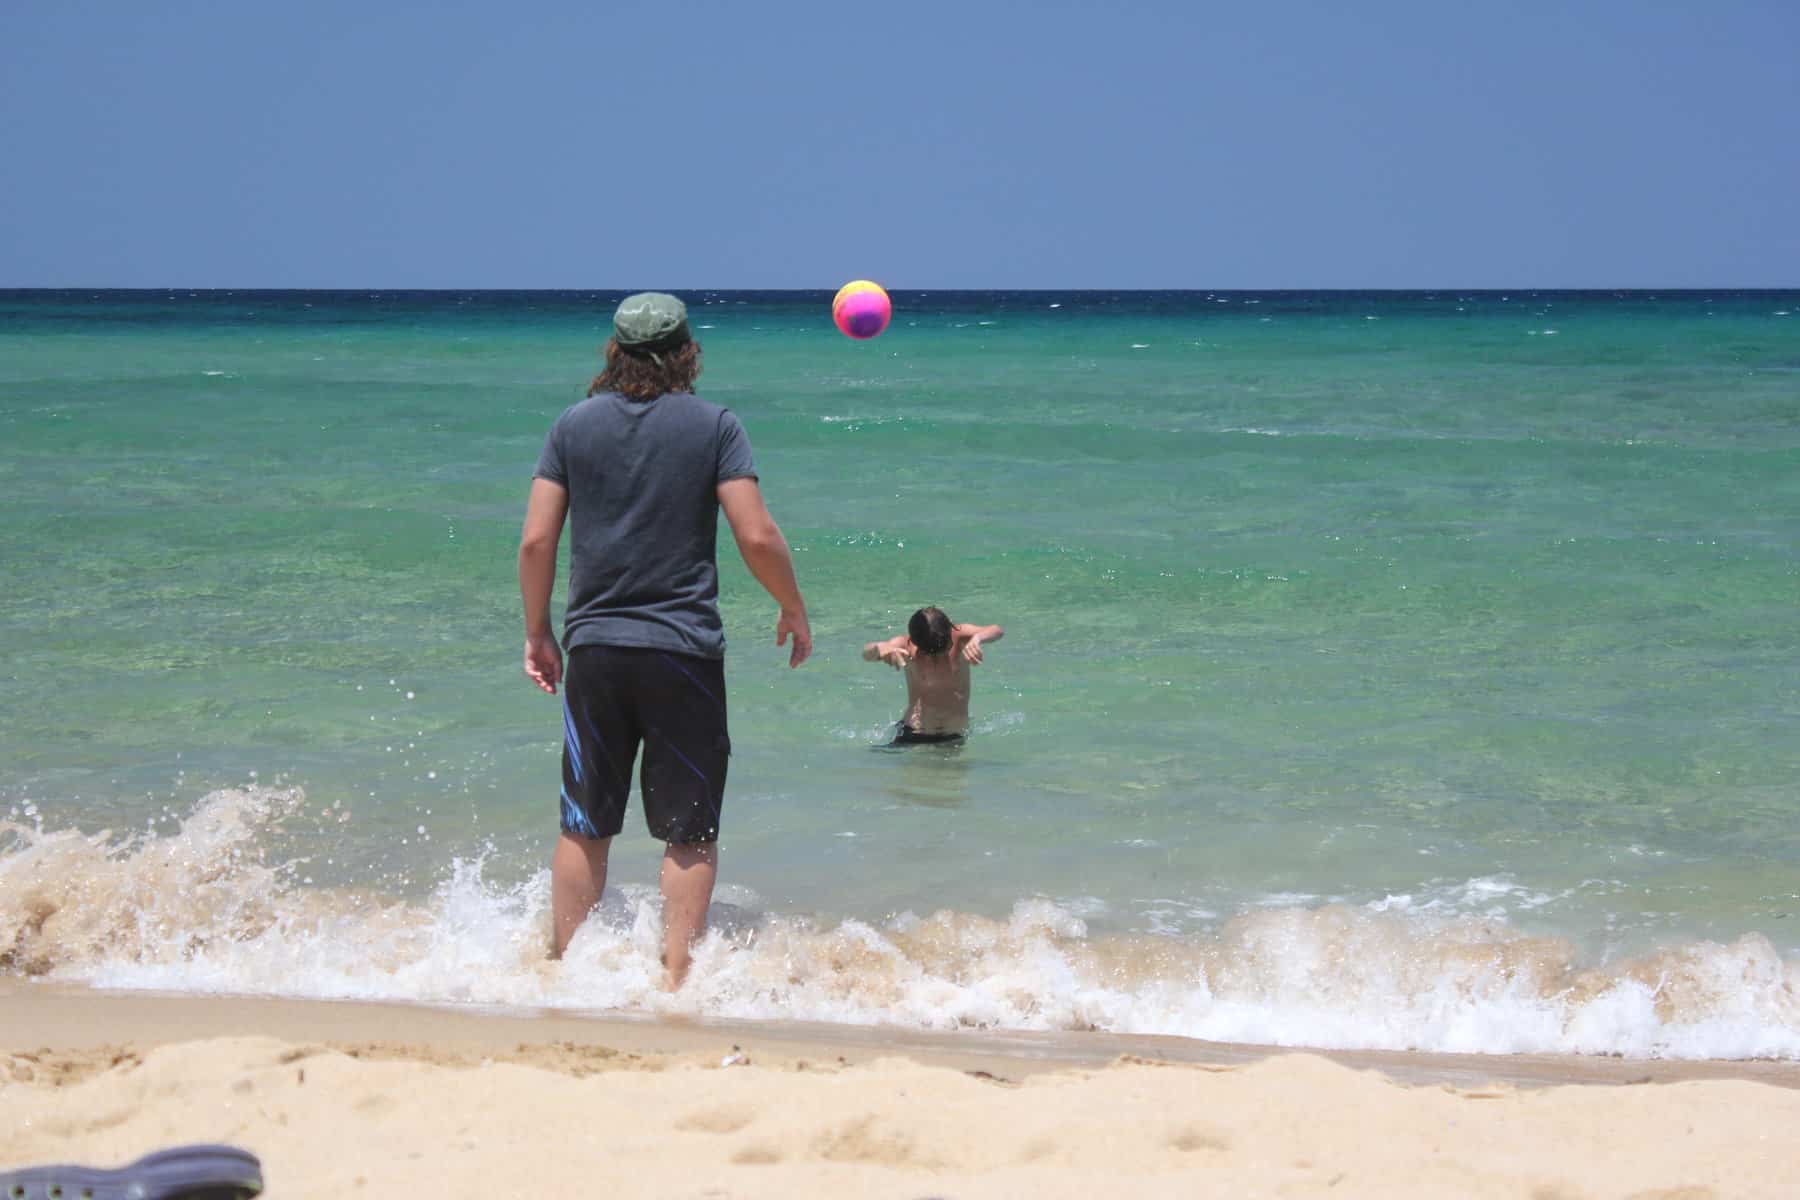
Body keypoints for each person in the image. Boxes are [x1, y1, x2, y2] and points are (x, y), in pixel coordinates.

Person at [518, 291, 811, 989]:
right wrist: (793, 607)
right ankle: (678, 978)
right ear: (687, 351)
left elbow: (535, 541)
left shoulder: (571, 427)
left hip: (594, 649)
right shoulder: (715, 427)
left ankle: (566, 973)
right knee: (689, 832)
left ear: (615, 353)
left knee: (585, 823)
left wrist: (538, 631)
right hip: (682, 653)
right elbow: (757, 534)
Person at [861, 606, 1004, 745]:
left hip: (954, 735)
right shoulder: (905, 646)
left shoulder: (960, 637)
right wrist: (880, 647)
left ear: (951, 629)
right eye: (929, 653)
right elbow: (866, 654)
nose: (936, 657)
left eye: (943, 649)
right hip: (914, 733)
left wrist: (978, 638)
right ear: (914, 641)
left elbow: (997, 630)